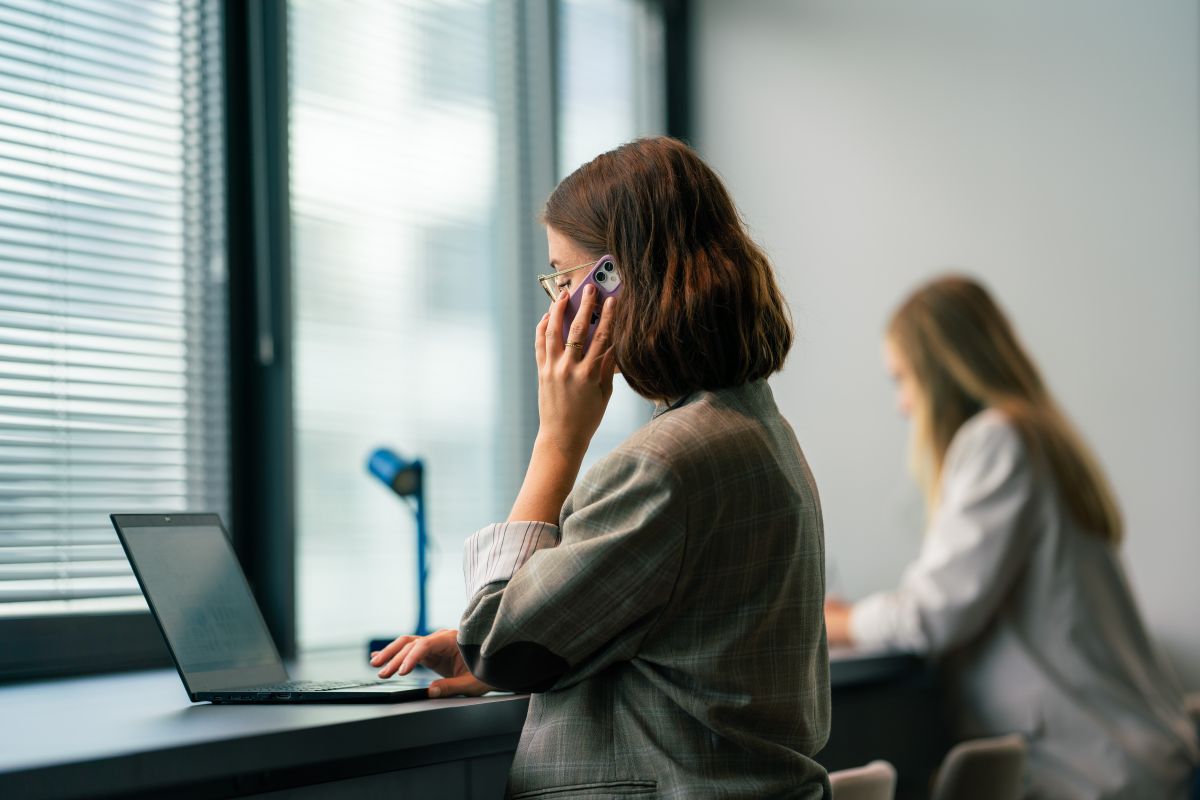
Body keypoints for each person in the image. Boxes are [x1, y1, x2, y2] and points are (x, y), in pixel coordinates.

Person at [370, 136, 831, 798]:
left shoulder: (667, 464)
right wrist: (533, 649)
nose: (555, 304)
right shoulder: (756, 430)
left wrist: (557, 441)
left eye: (563, 276)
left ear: (614, 279)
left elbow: (504, 646)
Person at [824, 275, 1200, 799]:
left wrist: (837, 622)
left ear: (941, 370)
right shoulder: (1038, 436)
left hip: (1104, 776)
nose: (901, 405)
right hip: (1143, 760)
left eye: (902, 379)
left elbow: (932, 616)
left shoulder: (998, 441)